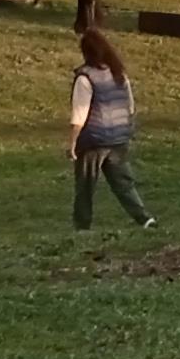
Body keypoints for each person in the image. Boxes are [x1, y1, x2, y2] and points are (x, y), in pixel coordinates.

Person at [66, 26, 153, 229]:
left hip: (93, 141)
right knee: (123, 184)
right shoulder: (118, 73)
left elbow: (80, 114)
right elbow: (129, 106)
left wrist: (72, 143)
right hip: (119, 138)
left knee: (85, 186)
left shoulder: (85, 78)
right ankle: (145, 219)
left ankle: (82, 226)